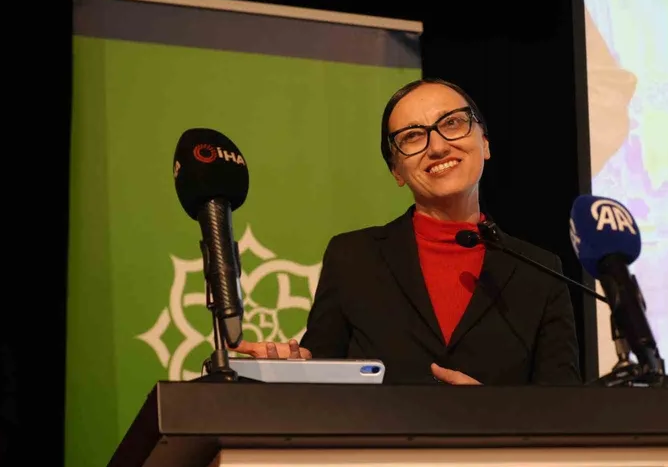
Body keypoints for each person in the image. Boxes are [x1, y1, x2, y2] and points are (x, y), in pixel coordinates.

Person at [235, 78, 582, 386]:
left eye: (452, 123)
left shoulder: (541, 272)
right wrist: (293, 369)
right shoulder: (353, 258)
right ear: (396, 171)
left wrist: (489, 412)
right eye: (413, 136)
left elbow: (565, 411)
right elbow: (324, 377)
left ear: (485, 143)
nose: (438, 147)